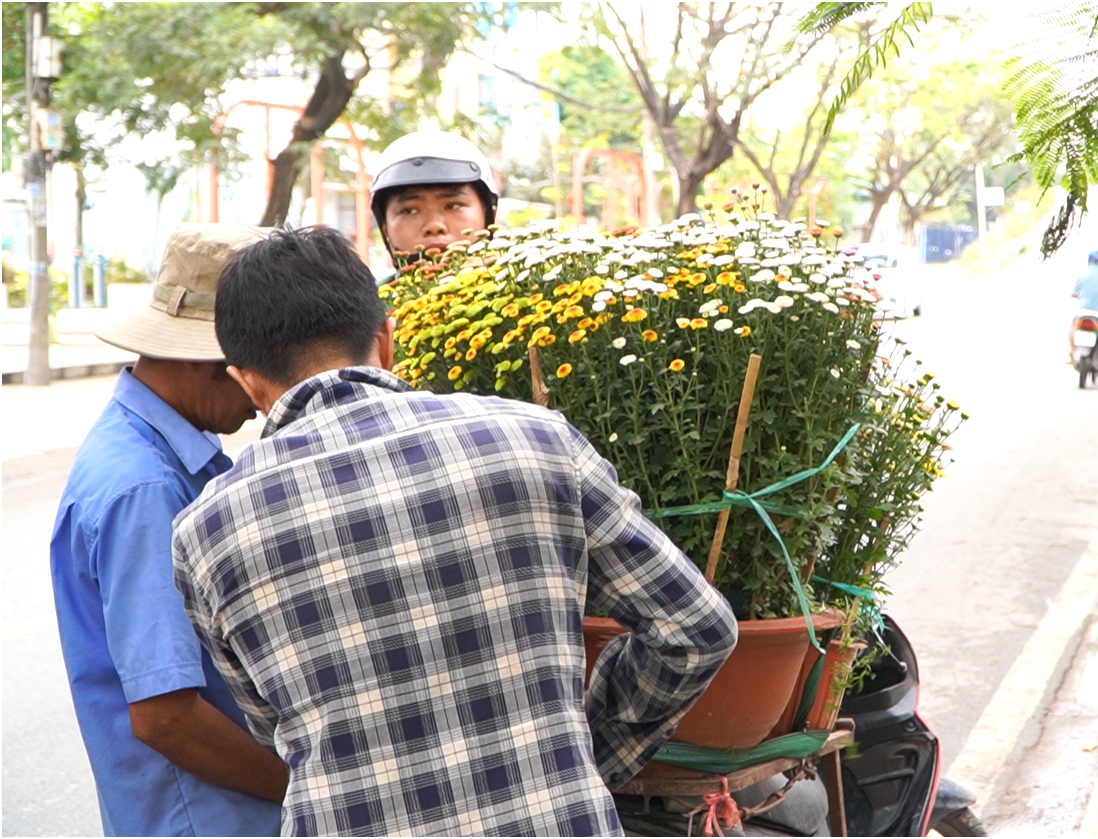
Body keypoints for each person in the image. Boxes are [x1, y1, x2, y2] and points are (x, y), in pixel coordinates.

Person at [173, 226, 738, 837]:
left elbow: (276, 725)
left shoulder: (205, 532)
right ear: (386, 340)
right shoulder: (537, 441)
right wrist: (585, 755)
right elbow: (695, 629)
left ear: (246, 381)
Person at [50, 224, 286, 837]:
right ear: (214, 363)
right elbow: (166, 716)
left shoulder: (159, 449)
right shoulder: (145, 488)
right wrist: (306, 789)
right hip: (205, 816)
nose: (262, 400)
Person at [371, 130, 499, 283]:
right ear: (386, 230)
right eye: (409, 211)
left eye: (452, 206)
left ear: (489, 217)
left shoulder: (525, 294)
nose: (434, 225)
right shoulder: (366, 305)